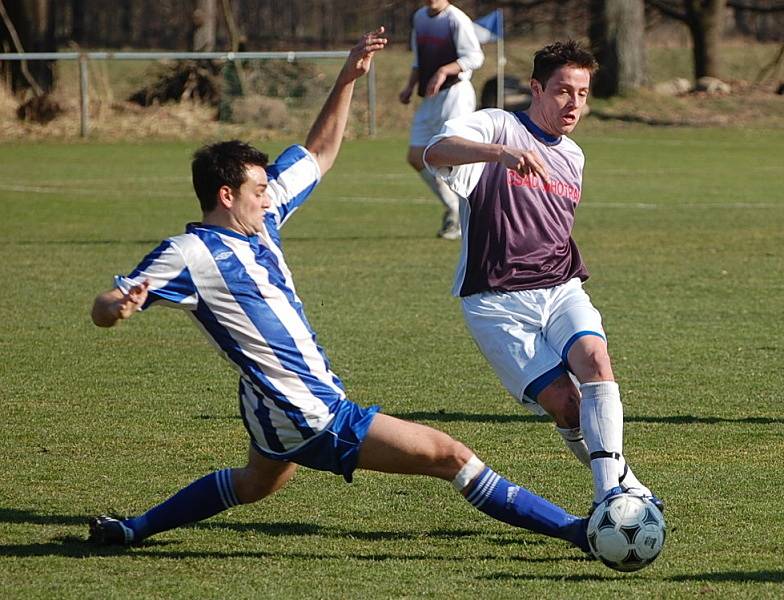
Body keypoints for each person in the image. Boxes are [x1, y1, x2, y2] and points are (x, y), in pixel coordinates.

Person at [86, 28, 590, 554]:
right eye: (258, 191)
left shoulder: (263, 216)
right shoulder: (189, 254)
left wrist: (348, 77)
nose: (268, 196)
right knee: (451, 457)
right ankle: (579, 531)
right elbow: (104, 306)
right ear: (225, 195)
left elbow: (319, 151)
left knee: (258, 483)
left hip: (265, 406)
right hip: (310, 410)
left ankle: (132, 529)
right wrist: (117, 306)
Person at [424, 40, 662, 511]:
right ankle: (625, 482)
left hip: (559, 287)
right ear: (536, 88)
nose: (573, 103)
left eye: (583, 93)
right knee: (567, 407)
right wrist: (499, 154)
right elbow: (436, 151)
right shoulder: (499, 125)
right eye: (562, 91)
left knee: (595, 359)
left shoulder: (574, 156)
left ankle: (610, 494)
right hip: (496, 303)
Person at [399, 0, 483, 240]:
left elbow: (475, 57)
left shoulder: (456, 19)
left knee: (454, 155)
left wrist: (445, 70)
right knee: (416, 156)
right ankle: (453, 207)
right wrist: (410, 86)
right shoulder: (420, 18)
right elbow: (418, 60)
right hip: (430, 98)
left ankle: (470, 214)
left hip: (455, 94)